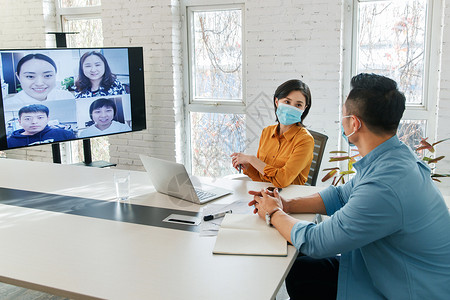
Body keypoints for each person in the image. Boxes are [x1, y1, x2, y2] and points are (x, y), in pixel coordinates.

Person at [248, 73, 450, 299]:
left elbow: (317, 242)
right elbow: (341, 197)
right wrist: (286, 205)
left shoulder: (385, 185)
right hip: (384, 268)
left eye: (343, 113)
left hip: (403, 289)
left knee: (303, 266)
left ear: (354, 123)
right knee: (300, 265)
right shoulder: (393, 158)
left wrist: (273, 213)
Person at [231, 79, 314, 188]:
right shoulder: (267, 132)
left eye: (298, 105)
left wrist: (251, 159)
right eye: (287, 102)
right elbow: (262, 178)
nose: (291, 108)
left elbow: (282, 180)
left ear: (304, 108)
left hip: (288, 200)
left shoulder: (305, 140)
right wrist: (249, 167)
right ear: (276, 102)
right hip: (264, 196)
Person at [8, 53, 74, 106]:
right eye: (30, 76)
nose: (39, 83)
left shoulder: (66, 97)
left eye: (47, 75)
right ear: (18, 77)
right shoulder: (9, 104)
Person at [7, 104, 75, 148]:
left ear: (47, 119)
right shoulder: (10, 142)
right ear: (20, 122)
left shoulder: (65, 135)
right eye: (28, 119)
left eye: (40, 118)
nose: (34, 122)